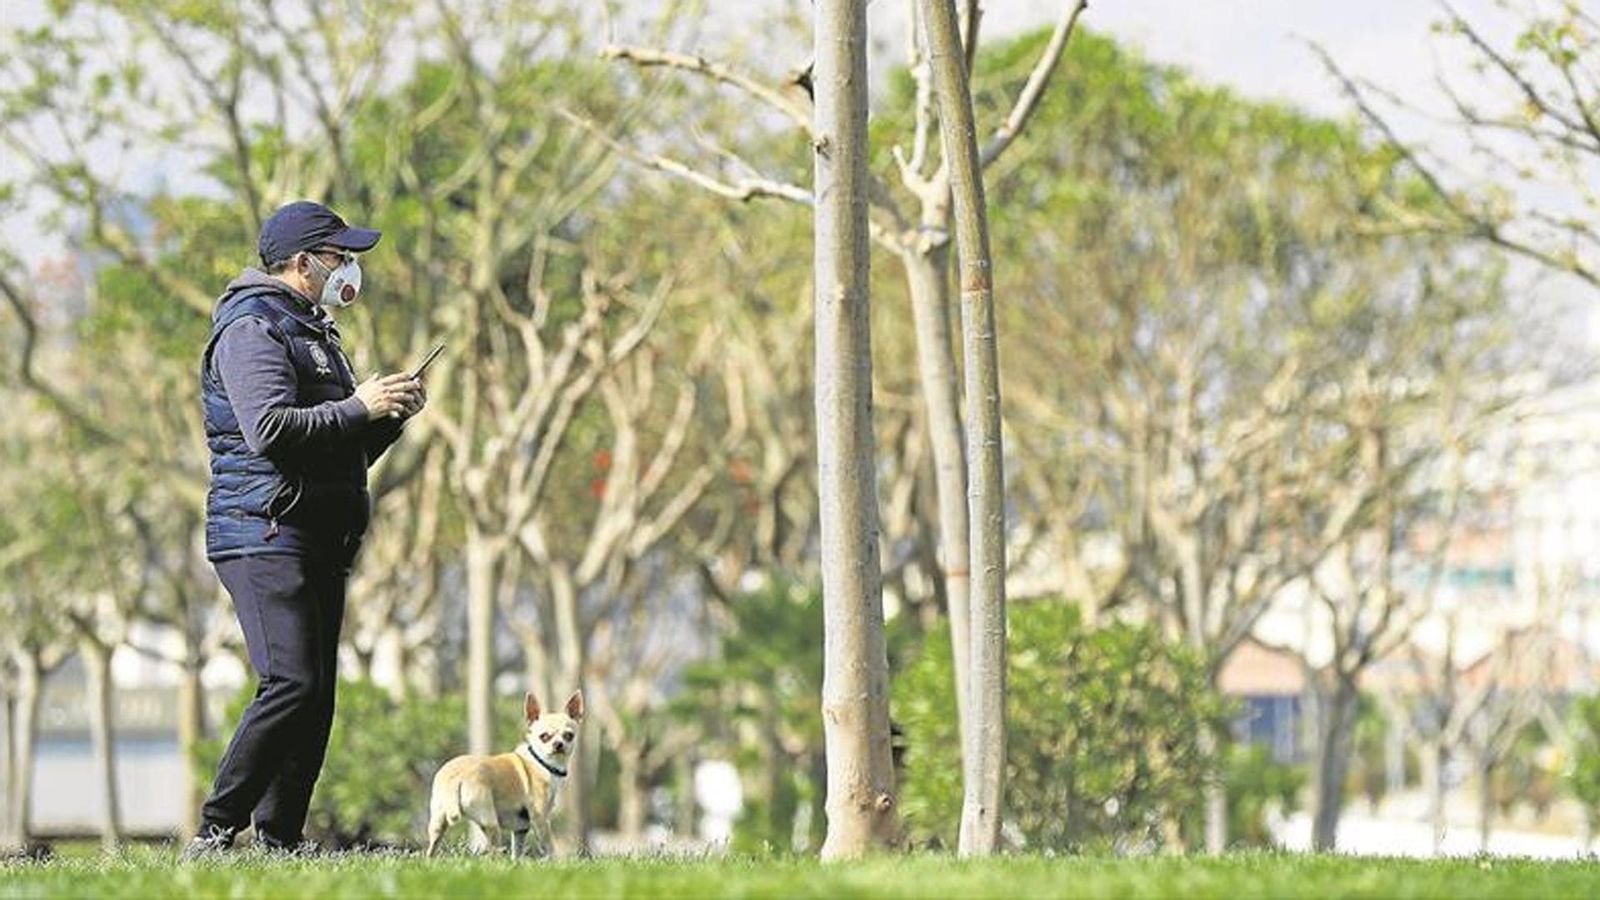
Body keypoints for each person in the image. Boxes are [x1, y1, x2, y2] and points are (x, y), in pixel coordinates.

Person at [184, 200, 425, 857]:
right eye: (340, 256)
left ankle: (279, 840)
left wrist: (387, 417)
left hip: (317, 531)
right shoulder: (251, 328)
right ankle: (214, 830)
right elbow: (271, 432)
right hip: (262, 529)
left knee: (314, 694)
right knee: (290, 681)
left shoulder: (312, 332)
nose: (348, 268)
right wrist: (357, 405)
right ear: (302, 263)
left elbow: (333, 445)